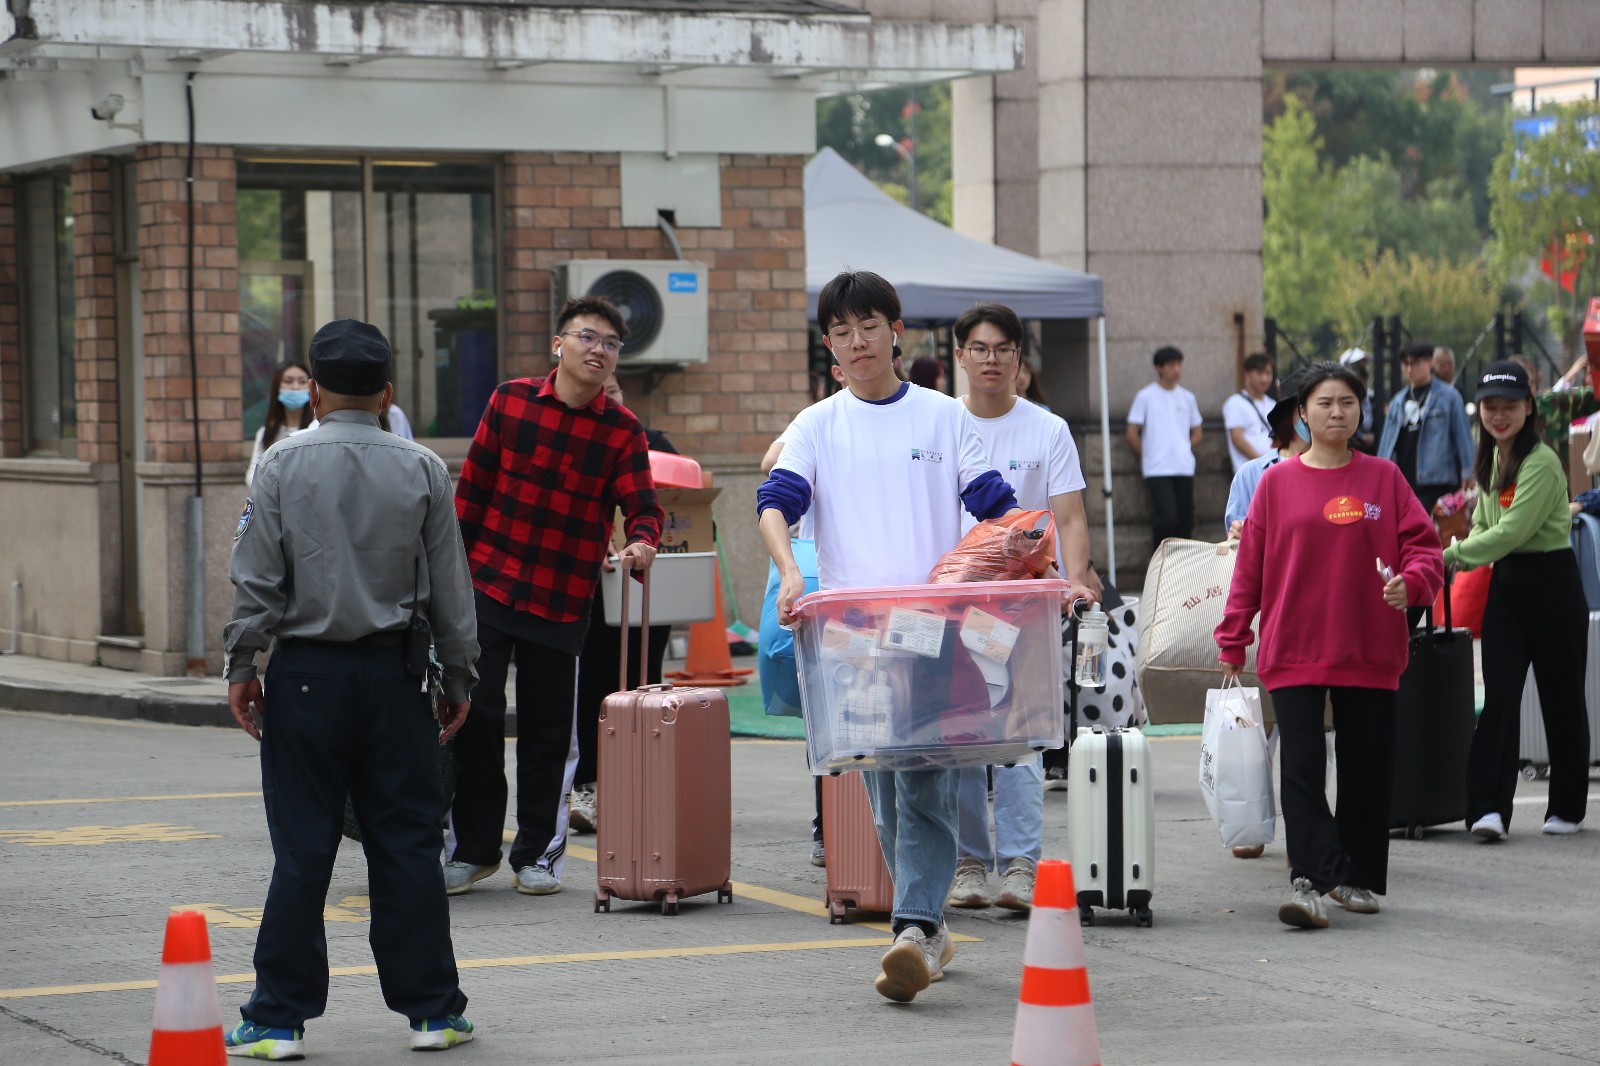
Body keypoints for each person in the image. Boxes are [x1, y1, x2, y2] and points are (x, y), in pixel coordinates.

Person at [759, 270, 1023, 1003]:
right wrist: (789, 571)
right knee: (883, 791)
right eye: (842, 332)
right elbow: (776, 501)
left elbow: (994, 505)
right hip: (854, 638)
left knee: (925, 782)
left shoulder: (944, 416)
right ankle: (927, 925)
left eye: (869, 327)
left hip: (932, 632)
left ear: (895, 331)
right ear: (829, 344)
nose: (857, 342)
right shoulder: (817, 425)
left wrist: (1030, 559)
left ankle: (915, 928)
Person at [222, 319, 479, 1056]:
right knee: (407, 845)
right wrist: (459, 676)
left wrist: (243, 666)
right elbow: (452, 588)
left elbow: (255, 580)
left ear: (315, 392)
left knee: (303, 849)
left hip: (306, 679)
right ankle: (433, 1013)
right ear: (386, 393)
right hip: (397, 678)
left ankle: (278, 1019)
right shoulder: (424, 468)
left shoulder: (280, 465)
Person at [445, 296, 663, 898]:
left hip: (563, 598)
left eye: (611, 343)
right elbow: (470, 496)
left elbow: (644, 508)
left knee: (548, 732)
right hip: (487, 586)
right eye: (588, 337)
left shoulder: (622, 430)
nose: (599, 350)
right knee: (475, 716)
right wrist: (446, 581)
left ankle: (536, 855)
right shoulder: (509, 401)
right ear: (558, 344)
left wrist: (642, 542)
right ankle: (472, 850)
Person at [1215, 361, 1443, 930]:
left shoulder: (1384, 479)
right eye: (1324, 403)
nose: (1336, 412)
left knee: (1367, 765)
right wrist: (1233, 637)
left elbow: (1425, 548)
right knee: (1302, 765)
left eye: (1347, 402)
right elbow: (1249, 569)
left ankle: (1354, 875)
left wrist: (1413, 582)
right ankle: (1310, 879)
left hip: (1369, 643)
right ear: (1302, 414)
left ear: (1361, 411)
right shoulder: (1275, 484)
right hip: (1294, 645)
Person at [944, 301, 1098, 914]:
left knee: (1022, 735)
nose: (991, 360)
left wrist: (1075, 581)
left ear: (1018, 359)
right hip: (954, 604)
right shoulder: (941, 423)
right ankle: (968, 863)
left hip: (1025, 603)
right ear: (960, 355)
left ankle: (1020, 865)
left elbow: (1070, 516)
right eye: (979, 349)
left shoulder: (1047, 429)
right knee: (958, 735)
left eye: (1002, 349)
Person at [1443, 360, 1590, 841]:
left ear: (1529, 407)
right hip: (1507, 586)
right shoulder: (1489, 459)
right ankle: (1488, 809)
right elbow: (1486, 528)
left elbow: (1510, 532)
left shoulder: (1542, 462)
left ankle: (1566, 808)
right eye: (1490, 406)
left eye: (1509, 405)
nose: (1499, 415)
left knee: (1561, 697)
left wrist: (1451, 555)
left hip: (1552, 583)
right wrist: (1459, 552)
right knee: (1500, 696)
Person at [567, 373, 676, 835]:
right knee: (594, 687)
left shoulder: (651, 443)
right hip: (591, 588)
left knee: (645, 684)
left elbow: (684, 508)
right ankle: (588, 786)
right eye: (599, 390)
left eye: (613, 389)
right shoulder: (573, 439)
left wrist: (640, 541)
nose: (607, 397)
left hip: (644, 587)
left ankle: (644, 785)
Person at [1377, 341, 1476, 517]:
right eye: (1406, 364)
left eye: (1415, 363)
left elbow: (1463, 436)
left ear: (1429, 362)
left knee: (1438, 529)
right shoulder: (1397, 402)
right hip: (1404, 481)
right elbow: (1386, 443)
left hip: (1438, 481)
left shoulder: (1449, 397)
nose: (1409, 369)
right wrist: (1380, 476)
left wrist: (1468, 472)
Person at [1126, 346, 1203, 545]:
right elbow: (1132, 432)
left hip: (1183, 467)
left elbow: (1197, 432)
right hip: (1157, 469)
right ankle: (1160, 559)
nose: (1176, 369)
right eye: (1171, 365)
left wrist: (1184, 447)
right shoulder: (1145, 396)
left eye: (1179, 364)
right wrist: (1148, 453)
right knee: (1167, 517)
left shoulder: (1187, 397)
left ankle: (1183, 562)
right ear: (1159, 368)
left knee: (1185, 520)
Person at [1225, 369, 1309, 539]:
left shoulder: (1347, 471)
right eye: (1305, 408)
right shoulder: (1251, 474)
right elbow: (1237, 543)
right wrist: (1240, 532)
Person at [247, 362, 312, 488]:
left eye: (302, 382)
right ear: (277, 387)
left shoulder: (317, 427)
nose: (295, 387)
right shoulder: (266, 432)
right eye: (288, 381)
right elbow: (253, 472)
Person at [1222, 353, 1276, 474]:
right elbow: (1237, 439)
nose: (1264, 378)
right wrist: (1263, 462)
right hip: (1249, 474)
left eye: (1268, 373)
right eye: (1259, 373)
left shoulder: (1273, 404)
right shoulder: (1235, 403)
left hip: (1273, 472)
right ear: (1247, 374)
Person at [1338, 348, 1376, 453]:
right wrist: (1361, 437)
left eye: (1363, 365)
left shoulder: (1373, 398)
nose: (1363, 369)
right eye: (1357, 365)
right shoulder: (1339, 402)